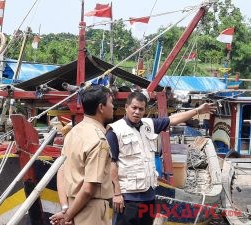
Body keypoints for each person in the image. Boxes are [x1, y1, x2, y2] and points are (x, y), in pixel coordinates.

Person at [106, 91, 216, 225]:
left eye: (141, 109)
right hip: (128, 197)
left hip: (149, 196)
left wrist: (198, 110)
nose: (137, 112)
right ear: (126, 107)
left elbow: (173, 119)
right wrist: (117, 194)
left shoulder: (148, 125)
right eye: (134, 108)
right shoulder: (115, 131)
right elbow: (111, 164)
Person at [50, 85, 114, 225]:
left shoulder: (73, 133)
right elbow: (89, 188)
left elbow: (61, 171)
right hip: (90, 209)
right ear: (101, 107)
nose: (113, 106)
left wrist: (66, 209)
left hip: (71, 205)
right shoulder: (98, 140)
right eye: (111, 102)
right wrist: (67, 216)